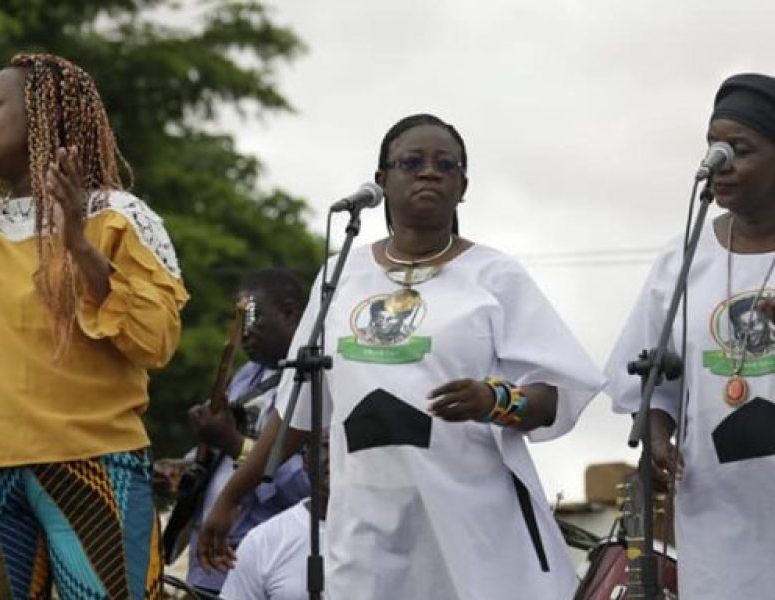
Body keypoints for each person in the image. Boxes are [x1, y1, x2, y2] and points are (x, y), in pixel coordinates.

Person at [198, 113, 604, 600]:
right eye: (411, 162)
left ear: (463, 186)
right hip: (368, 526)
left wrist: (493, 399)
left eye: (445, 165)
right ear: (381, 180)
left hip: (472, 522)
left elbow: (554, 397)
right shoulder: (341, 275)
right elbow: (296, 414)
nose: (429, 173)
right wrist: (231, 497)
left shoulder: (494, 276)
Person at [0, 53, 188, 599]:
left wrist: (78, 244)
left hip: (94, 465)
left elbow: (154, 339)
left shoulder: (121, 215)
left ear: (45, 116)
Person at [605, 73, 775, 599]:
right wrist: (656, 430)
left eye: (739, 149)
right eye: (713, 147)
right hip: (720, 516)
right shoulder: (685, 256)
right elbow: (650, 371)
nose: (720, 163)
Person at [180, 268, 310, 595]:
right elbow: (219, 455)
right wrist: (185, 466)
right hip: (208, 560)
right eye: (238, 321)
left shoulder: (316, 384)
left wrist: (234, 444)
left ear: (290, 312)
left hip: (263, 565)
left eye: (250, 318)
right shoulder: (247, 375)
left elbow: (309, 485)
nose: (243, 335)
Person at [219, 436, 328, 600]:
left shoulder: (379, 532)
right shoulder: (263, 541)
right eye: (328, 444)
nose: (339, 454)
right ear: (306, 458)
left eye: (348, 443)